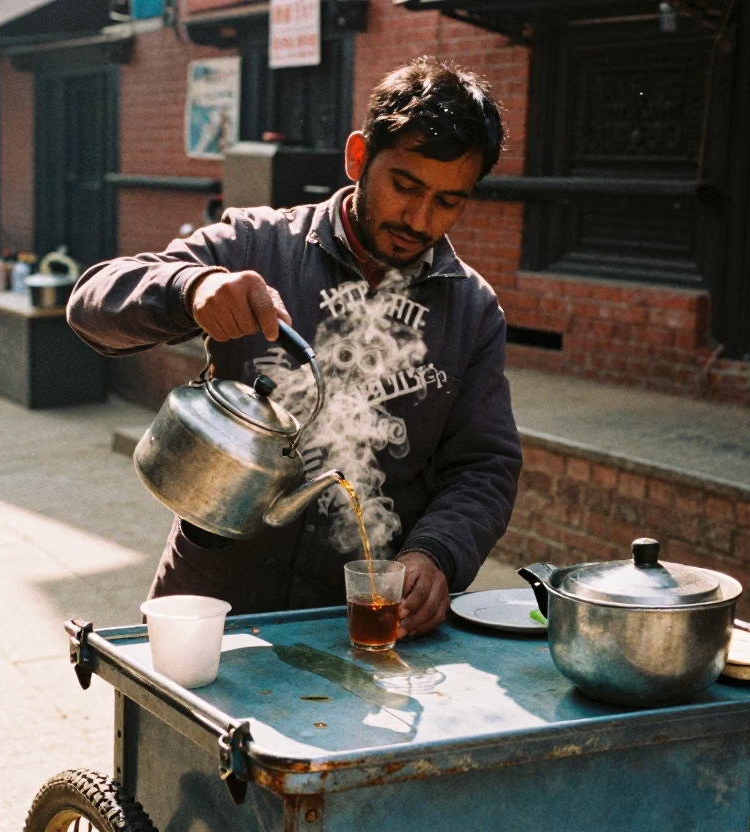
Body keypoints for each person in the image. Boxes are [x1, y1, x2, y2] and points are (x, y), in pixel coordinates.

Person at [68, 57, 522, 638]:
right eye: (404, 186)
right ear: (358, 158)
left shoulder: (472, 311)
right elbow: (91, 305)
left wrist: (438, 554)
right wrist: (192, 288)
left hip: (363, 620)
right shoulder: (257, 245)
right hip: (214, 604)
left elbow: (483, 467)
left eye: (448, 200)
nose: (419, 217)